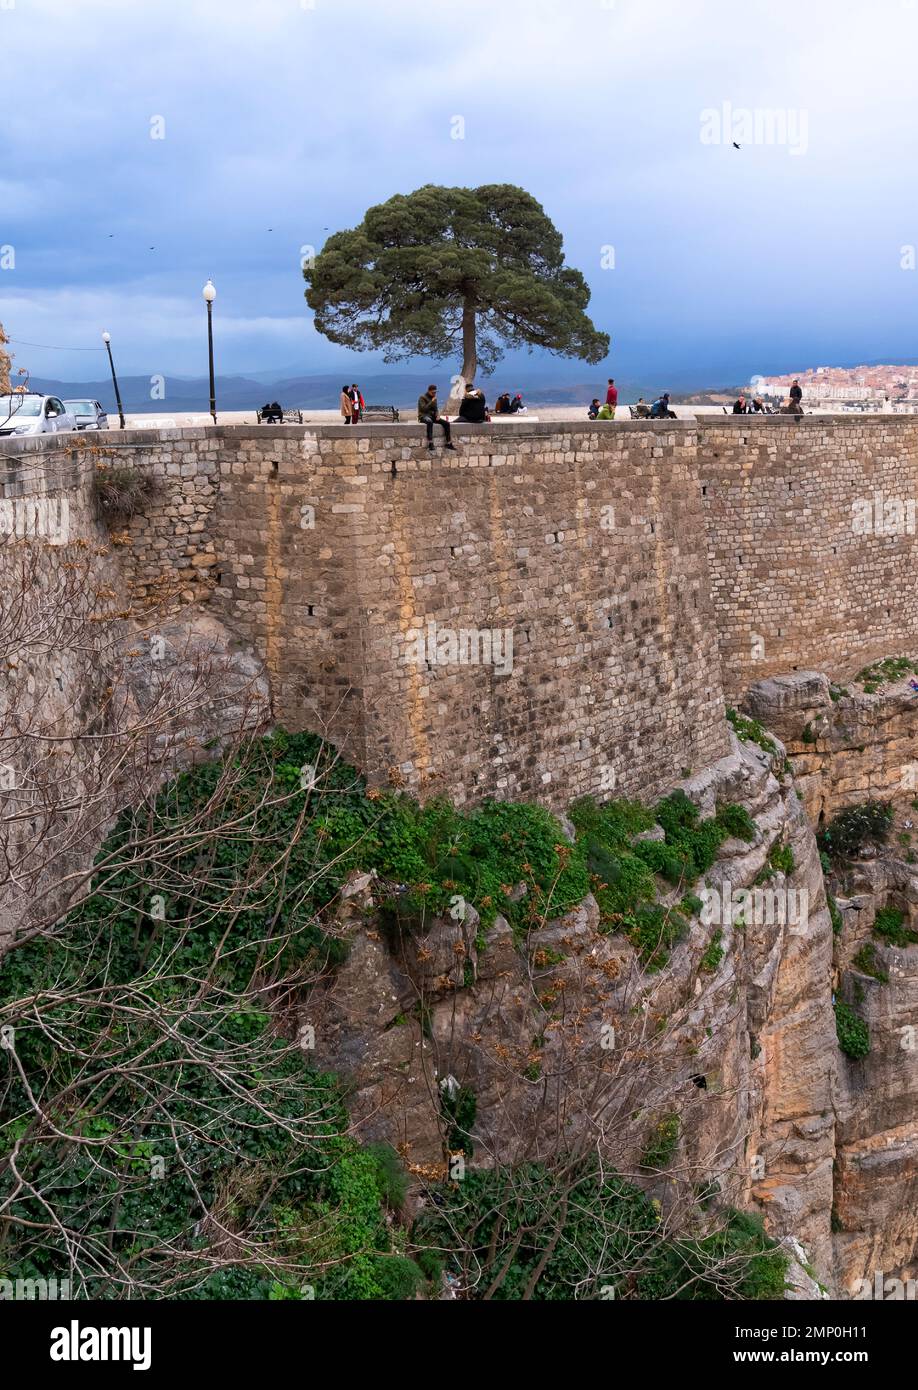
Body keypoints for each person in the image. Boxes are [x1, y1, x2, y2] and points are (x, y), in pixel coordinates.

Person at [417, 383, 456, 450]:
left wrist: (437, 414)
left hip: (432, 416)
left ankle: (449, 443)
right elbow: (423, 409)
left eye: (435, 392)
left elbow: (436, 409)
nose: (434, 394)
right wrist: (431, 402)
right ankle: (430, 443)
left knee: (446, 423)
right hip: (423, 416)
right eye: (433, 392)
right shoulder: (422, 398)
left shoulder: (434, 399)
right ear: (429, 391)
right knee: (429, 422)